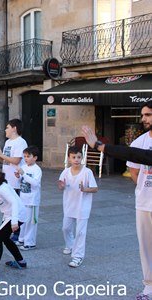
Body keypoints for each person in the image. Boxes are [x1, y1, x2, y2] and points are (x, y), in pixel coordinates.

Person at [125, 101, 152, 299]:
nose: (143, 119)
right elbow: (134, 172)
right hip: (144, 203)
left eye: (148, 115)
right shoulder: (138, 142)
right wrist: (144, 189)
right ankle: (149, 286)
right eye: (143, 115)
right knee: (146, 247)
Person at [58, 146, 98, 268]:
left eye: (79, 157)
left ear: (82, 157)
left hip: (83, 207)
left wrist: (85, 189)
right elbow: (60, 185)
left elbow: (95, 188)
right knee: (65, 228)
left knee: (80, 232)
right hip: (69, 205)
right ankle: (70, 245)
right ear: (69, 158)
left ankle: (77, 256)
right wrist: (61, 185)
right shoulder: (65, 172)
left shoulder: (87, 172)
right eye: (73, 157)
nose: (76, 159)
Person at [0, 118, 28, 242]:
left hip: (15, 180)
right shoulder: (7, 142)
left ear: (14, 128)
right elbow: (4, 160)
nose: (5, 130)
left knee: (15, 205)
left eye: (7, 127)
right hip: (6, 179)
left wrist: (1, 155)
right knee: (7, 206)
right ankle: (7, 228)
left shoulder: (20, 142)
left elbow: (16, 160)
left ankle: (17, 233)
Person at [14, 146, 42, 250]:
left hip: (32, 200)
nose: (26, 158)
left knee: (31, 222)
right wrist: (18, 176)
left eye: (28, 156)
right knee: (23, 220)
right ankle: (22, 239)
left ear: (35, 158)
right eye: (25, 156)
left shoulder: (37, 169)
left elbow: (35, 183)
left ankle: (30, 242)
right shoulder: (24, 167)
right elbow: (21, 181)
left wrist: (23, 174)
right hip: (23, 199)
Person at [82, 125, 152, 165]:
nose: (143, 119)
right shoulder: (139, 141)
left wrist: (99, 146)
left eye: (148, 115)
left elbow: (136, 154)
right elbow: (133, 154)